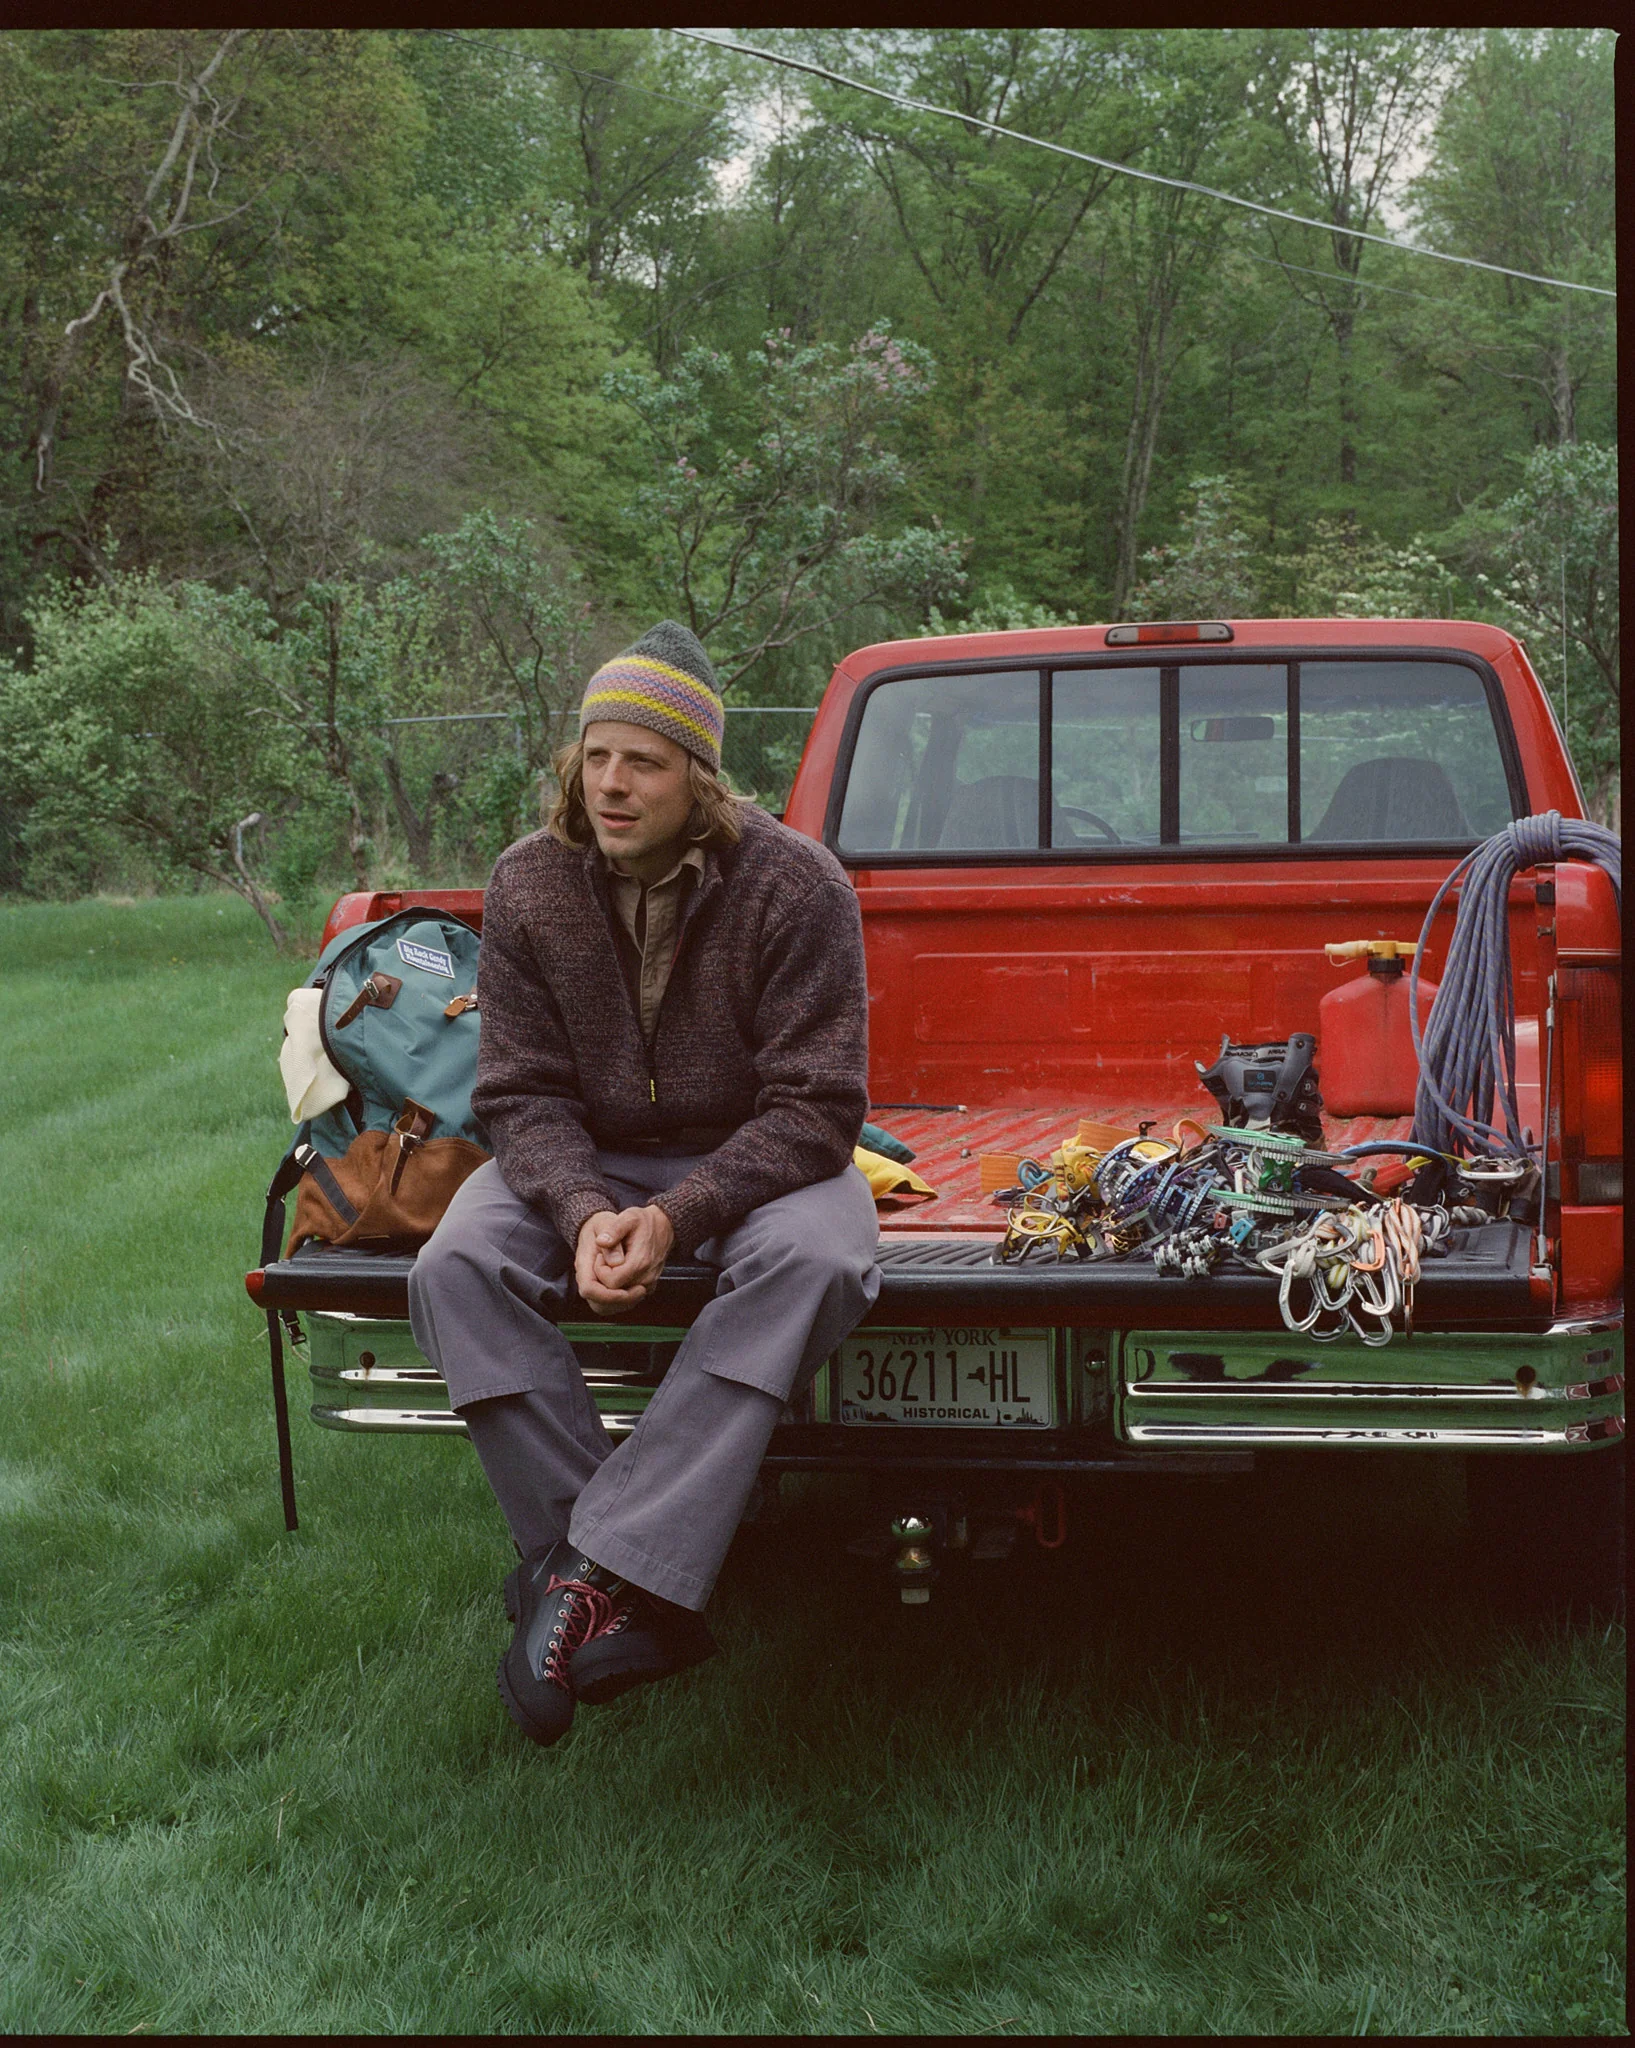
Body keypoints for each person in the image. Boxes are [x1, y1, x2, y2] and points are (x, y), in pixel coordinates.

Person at [408, 620, 881, 1747]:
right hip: (589, 1154)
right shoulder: (528, 883)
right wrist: (582, 1210)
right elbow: (518, 1093)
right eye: (597, 754)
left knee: (820, 1257)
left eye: (646, 760)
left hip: (758, 1158)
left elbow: (817, 1107)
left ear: (700, 776)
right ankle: (631, 1590)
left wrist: (676, 1215)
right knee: (455, 1262)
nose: (612, 783)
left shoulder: (798, 885)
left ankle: (587, 1572)